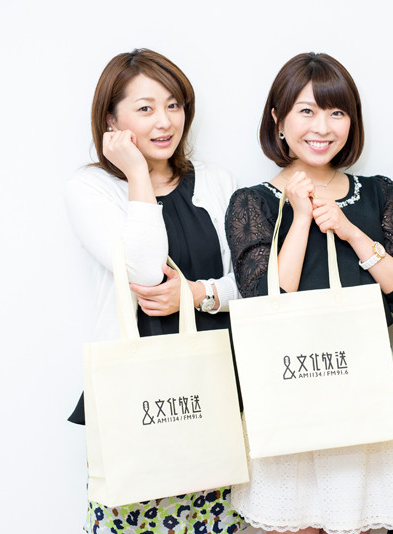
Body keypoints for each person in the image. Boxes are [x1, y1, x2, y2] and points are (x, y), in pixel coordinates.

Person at [224, 52, 393, 534]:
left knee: (362, 522)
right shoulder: (251, 201)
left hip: (363, 395)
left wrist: (352, 232)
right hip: (289, 398)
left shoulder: (377, 191)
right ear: (278, 119)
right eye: (307, 111)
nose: (323, 127)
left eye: (336, 112)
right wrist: (298, 218)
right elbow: (263, 301)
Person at [65, 49, 242, 534]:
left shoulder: (216, 181)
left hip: (210, 389)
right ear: (111, 119)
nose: (165, 122)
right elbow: (143, 270)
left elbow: (250, 283)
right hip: (135, 394)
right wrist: (139, 175)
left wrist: (200, 293)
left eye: (174, 105)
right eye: (145, 108)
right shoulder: (91, 188)